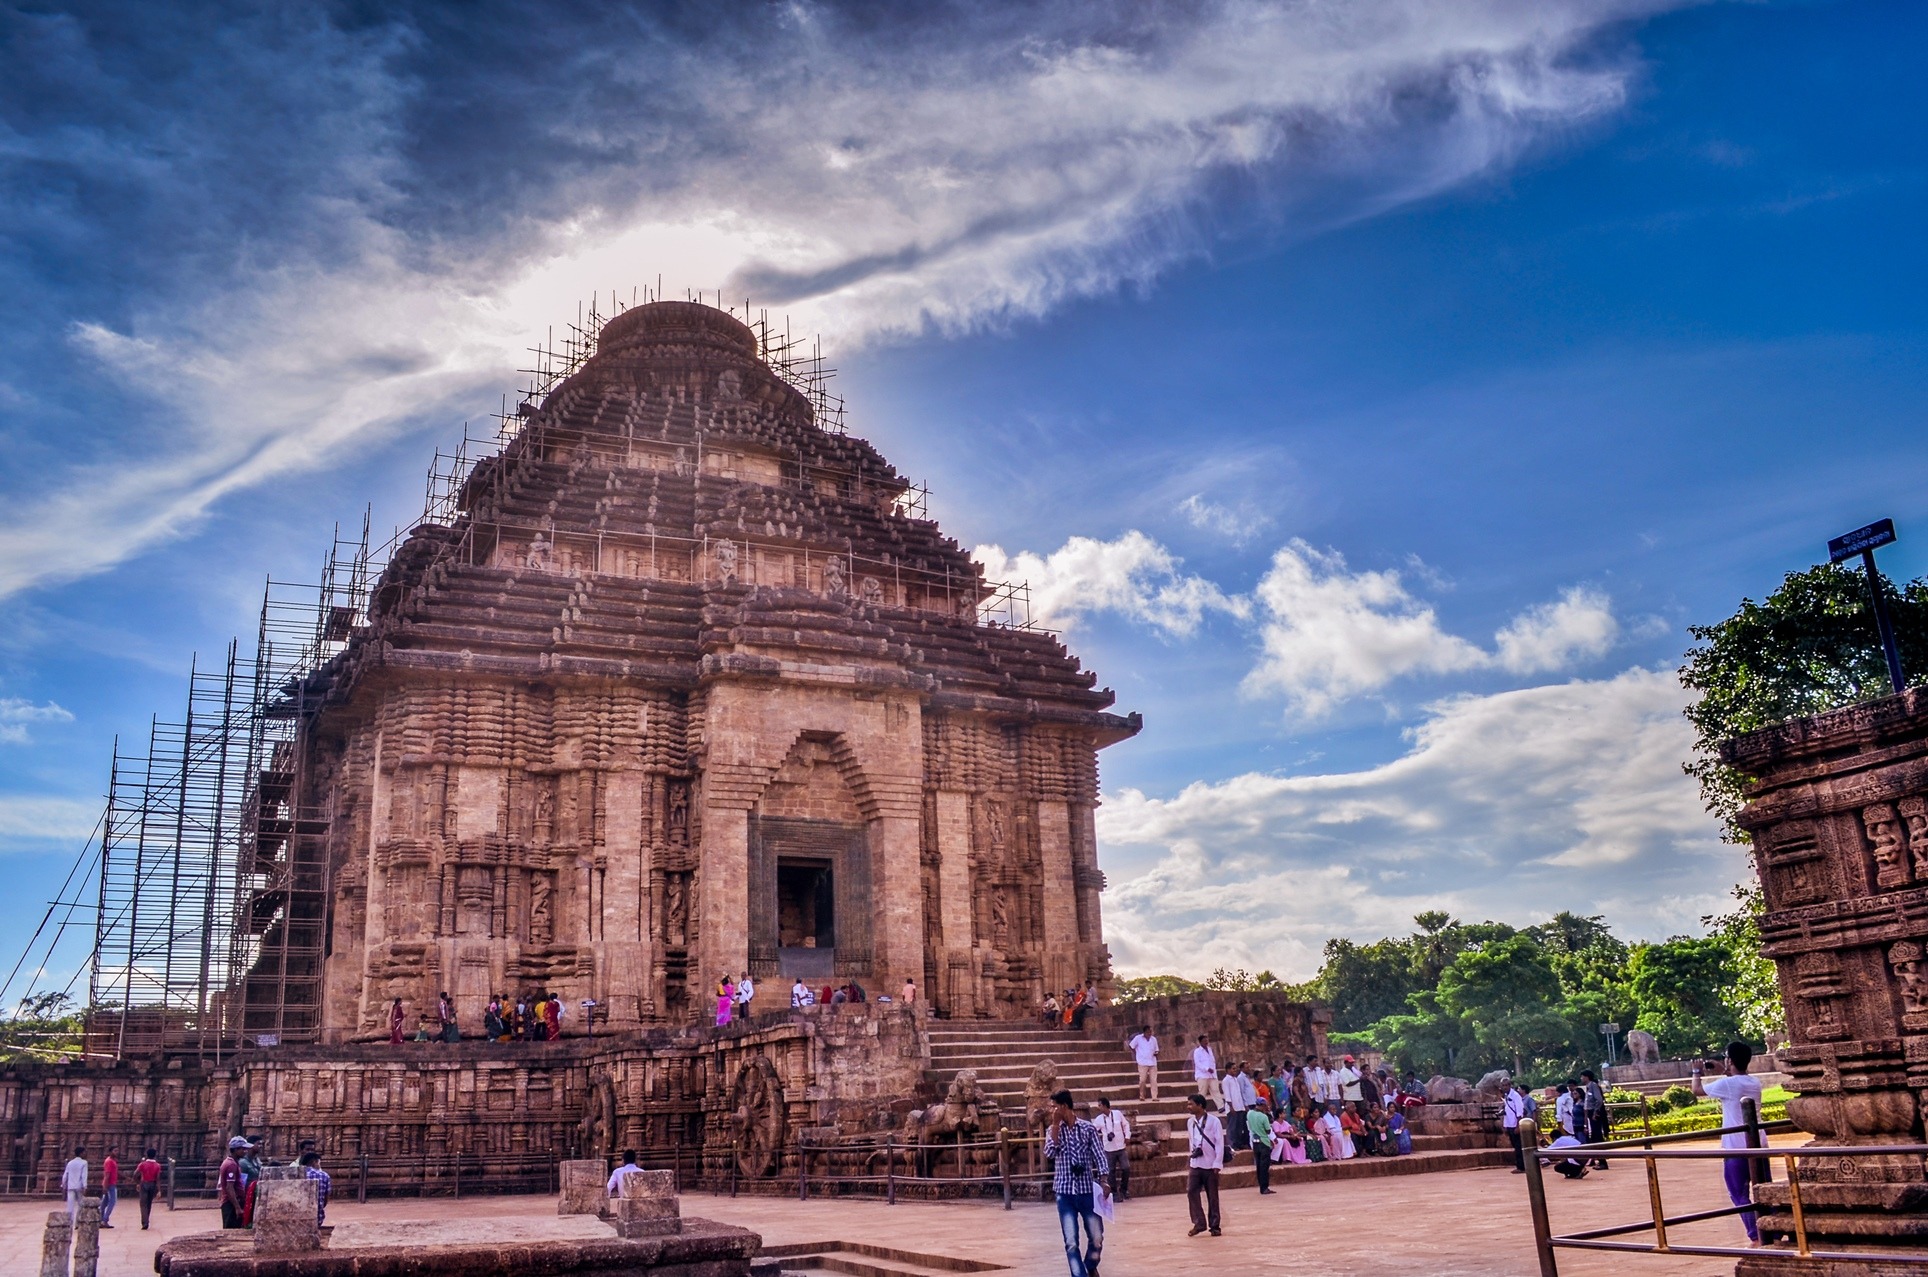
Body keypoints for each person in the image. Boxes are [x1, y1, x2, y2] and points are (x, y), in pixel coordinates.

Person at [1694, 1041, 1765, 1247]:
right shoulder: (1753, 1082)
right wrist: (1727, 1070)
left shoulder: (1727, 1085)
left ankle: (1755, 1235)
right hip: (1759, 1143)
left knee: (1739, 1193)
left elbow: (1697, 1090)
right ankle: (1771, 1232)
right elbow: (1736, 1083)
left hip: (1736, 1146)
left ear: (1730, 1060)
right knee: (1763, 1190)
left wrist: (1696, 1071)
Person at [1042, 1089, 1107, 1277]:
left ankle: (1089, 1264)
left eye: (1053, 1107)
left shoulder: (1087, 1128)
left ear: (1063, 1107)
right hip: (1065, 1192)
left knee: (1097, 1237)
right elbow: (1050, 1153)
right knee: (1071, 1241)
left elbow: (1099, 1155)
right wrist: (1055, 1125)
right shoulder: (1052, 1130)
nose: (1051, 1110)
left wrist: (1104, 1179)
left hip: (1086, 1190)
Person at [1185, 1093, 1224, 1237]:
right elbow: (1191, 1141)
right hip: (1196, 1163)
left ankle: (1215, 1225)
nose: (1188, 1107)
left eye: (1191, 1104)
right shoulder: (1190, 1122)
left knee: (1212, 1196)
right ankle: (1199, 1223)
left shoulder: (1214, 1121)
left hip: (1211, 1163)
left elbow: (1220, 1142)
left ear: (1200, 1106)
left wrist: (1217, 1162)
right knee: (1191, 1191)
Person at [1092, 1096, 1132, 1202]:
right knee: (1111, 1171)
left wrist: (1127, 1136)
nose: (1099, 1107)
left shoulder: (1117, 1114)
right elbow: (1092, 1130)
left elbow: (1126, 1125)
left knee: (1126, 1168)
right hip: (1108, 1148)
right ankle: (1114, 1192)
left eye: (1100, 1105)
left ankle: (1124, 1189)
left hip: (1121, 1146)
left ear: (1105, 1105)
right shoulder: (1099, 1119)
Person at [218, 1137, 250, 1229]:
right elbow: (229, 1187)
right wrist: (237, 1207)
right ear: (236, 1149)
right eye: (243, 1149)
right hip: (231, 1203)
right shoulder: (231, 1165)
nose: (245, 1151)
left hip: (232, 1202)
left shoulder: (232, 1163)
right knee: (231, 1229)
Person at [1581, 1070, 1610, 1169]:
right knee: (1594, 1137)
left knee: (1597, 1137)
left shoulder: (1593, 1086)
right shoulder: (1589, 1087)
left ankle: (1603, 1162)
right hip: (1590, 1114)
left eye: (1582, 1077)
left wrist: (1595, 1112)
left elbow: (1599, 1100)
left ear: (1587, 1077)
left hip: (1594, 1114)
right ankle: (1600, 1160)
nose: (1581, 1079)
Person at [1503, 1079, 1532, 1173]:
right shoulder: (1506, 1096)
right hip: (1510, 1124)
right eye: (1503, 1085)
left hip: (1516, 1124)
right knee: (1515, 1146)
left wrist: (1518, 1126)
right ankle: (1520, 1165)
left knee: (1519, 1146)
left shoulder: (1515, 1096)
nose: (1505, 1087)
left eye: (1506, 1085)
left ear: (1510, 1085)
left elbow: (1519, 1111)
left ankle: (1521, 1166)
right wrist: (1505, 1125)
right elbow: (1507, 1111)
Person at [1224, 1062, 1254, 1151]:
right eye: (1233, 1069)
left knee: (1239, 1127)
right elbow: (1227, 1095)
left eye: (1235, 1068)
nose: (1235, 1070)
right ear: (1228, 1070)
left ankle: (1239, 1143)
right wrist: (1231, 1107)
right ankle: (1232, 1144)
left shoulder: (1235, 1079)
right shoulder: (1226, 1080)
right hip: (1233, 1107)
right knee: (1232, 1127)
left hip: (1240, 1106)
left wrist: (1243, 1106)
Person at [298, 1150, 331, 1227]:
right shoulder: (324, 1176)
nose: (320, 1166)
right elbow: (325, 1200)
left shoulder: (297, 1175)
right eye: (319, 1163)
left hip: (298, 1218)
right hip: (318, 1217)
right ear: (314, 1162)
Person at [1246, 1104, 1274, 1193]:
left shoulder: (1250, 1113)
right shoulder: (1263, 1116)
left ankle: (1261, 1186)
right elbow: (1268, 1130)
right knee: (1264, 1166)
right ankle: (1264, 1187)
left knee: (1258, 1165)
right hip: (1264, 1142)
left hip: (1255, 1142)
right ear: (1262, 1106)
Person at [1127, 1026, 1160, 1101]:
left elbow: (1156, 1049)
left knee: (1153, 1080)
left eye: (1150, 1031)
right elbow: (1131, 1046)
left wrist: (1156, 1054)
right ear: (1144, 1032)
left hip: (1152, 1062)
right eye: (1148, 1032)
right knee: (1142, 1080)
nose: (1149, 1033)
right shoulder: (1138, 1038)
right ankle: (1142, 1095)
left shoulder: (1153, 1039)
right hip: (1142, 1062)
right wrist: (1136, 1053)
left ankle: (1154, 1096)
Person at [1192, 1034, 1223, 1113]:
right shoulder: (1197, 1051)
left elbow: (1212, 1061)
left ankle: (1221, 1107)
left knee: (1215, 1090)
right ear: (1200, 1042)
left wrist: (1212, 1070)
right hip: (1202, 1075)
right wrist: (1206, 1069)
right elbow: (1197, 1063)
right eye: (1204, 1041)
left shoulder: (1209, 1049)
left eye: (1207, 1040)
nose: (1206, 1042)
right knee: (1202, 1092)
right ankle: (1201, 1108)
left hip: (1212, 1075)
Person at [136, 1148, 162, 1230]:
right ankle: (147, 1219)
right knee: (149, 1203)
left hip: (144, 1183)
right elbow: (158, 1178)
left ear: (147, 1155)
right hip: (152, 1184)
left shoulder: (142, 1164)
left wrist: (137, 1183)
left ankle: (145, 1222)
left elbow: (135, 1174)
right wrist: (159, 1190)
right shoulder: (157, 1165)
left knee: (143, 1204)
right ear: (155, 1156)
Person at [62, 1147, 88, 1221]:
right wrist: (85, 1186)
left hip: (70, 1186)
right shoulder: (84, 1162)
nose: (85, 1154)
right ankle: (78, 1221)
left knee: (70, 1205)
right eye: (84, 1152)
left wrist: (63, 1185)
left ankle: (70, 1221)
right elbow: (84, 1175)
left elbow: (65, 1175)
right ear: (81, 1153)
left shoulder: (70, 1163)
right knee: (81, 1204)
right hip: (79, 1186)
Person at [100, 1149, 120, 1227]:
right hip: (110, 1184)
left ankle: (100, 1219)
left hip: (110, 1183)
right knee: (112, 1202)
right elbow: (107, 1175)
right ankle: (105, 1220)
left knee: (104, 1203)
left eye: (117, 1151)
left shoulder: (112, 1161)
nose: (117, 1152)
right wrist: (105, 1186)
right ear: (110, 1152)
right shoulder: (109, 1161)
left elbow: (114, 1172)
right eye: (115, 1151)